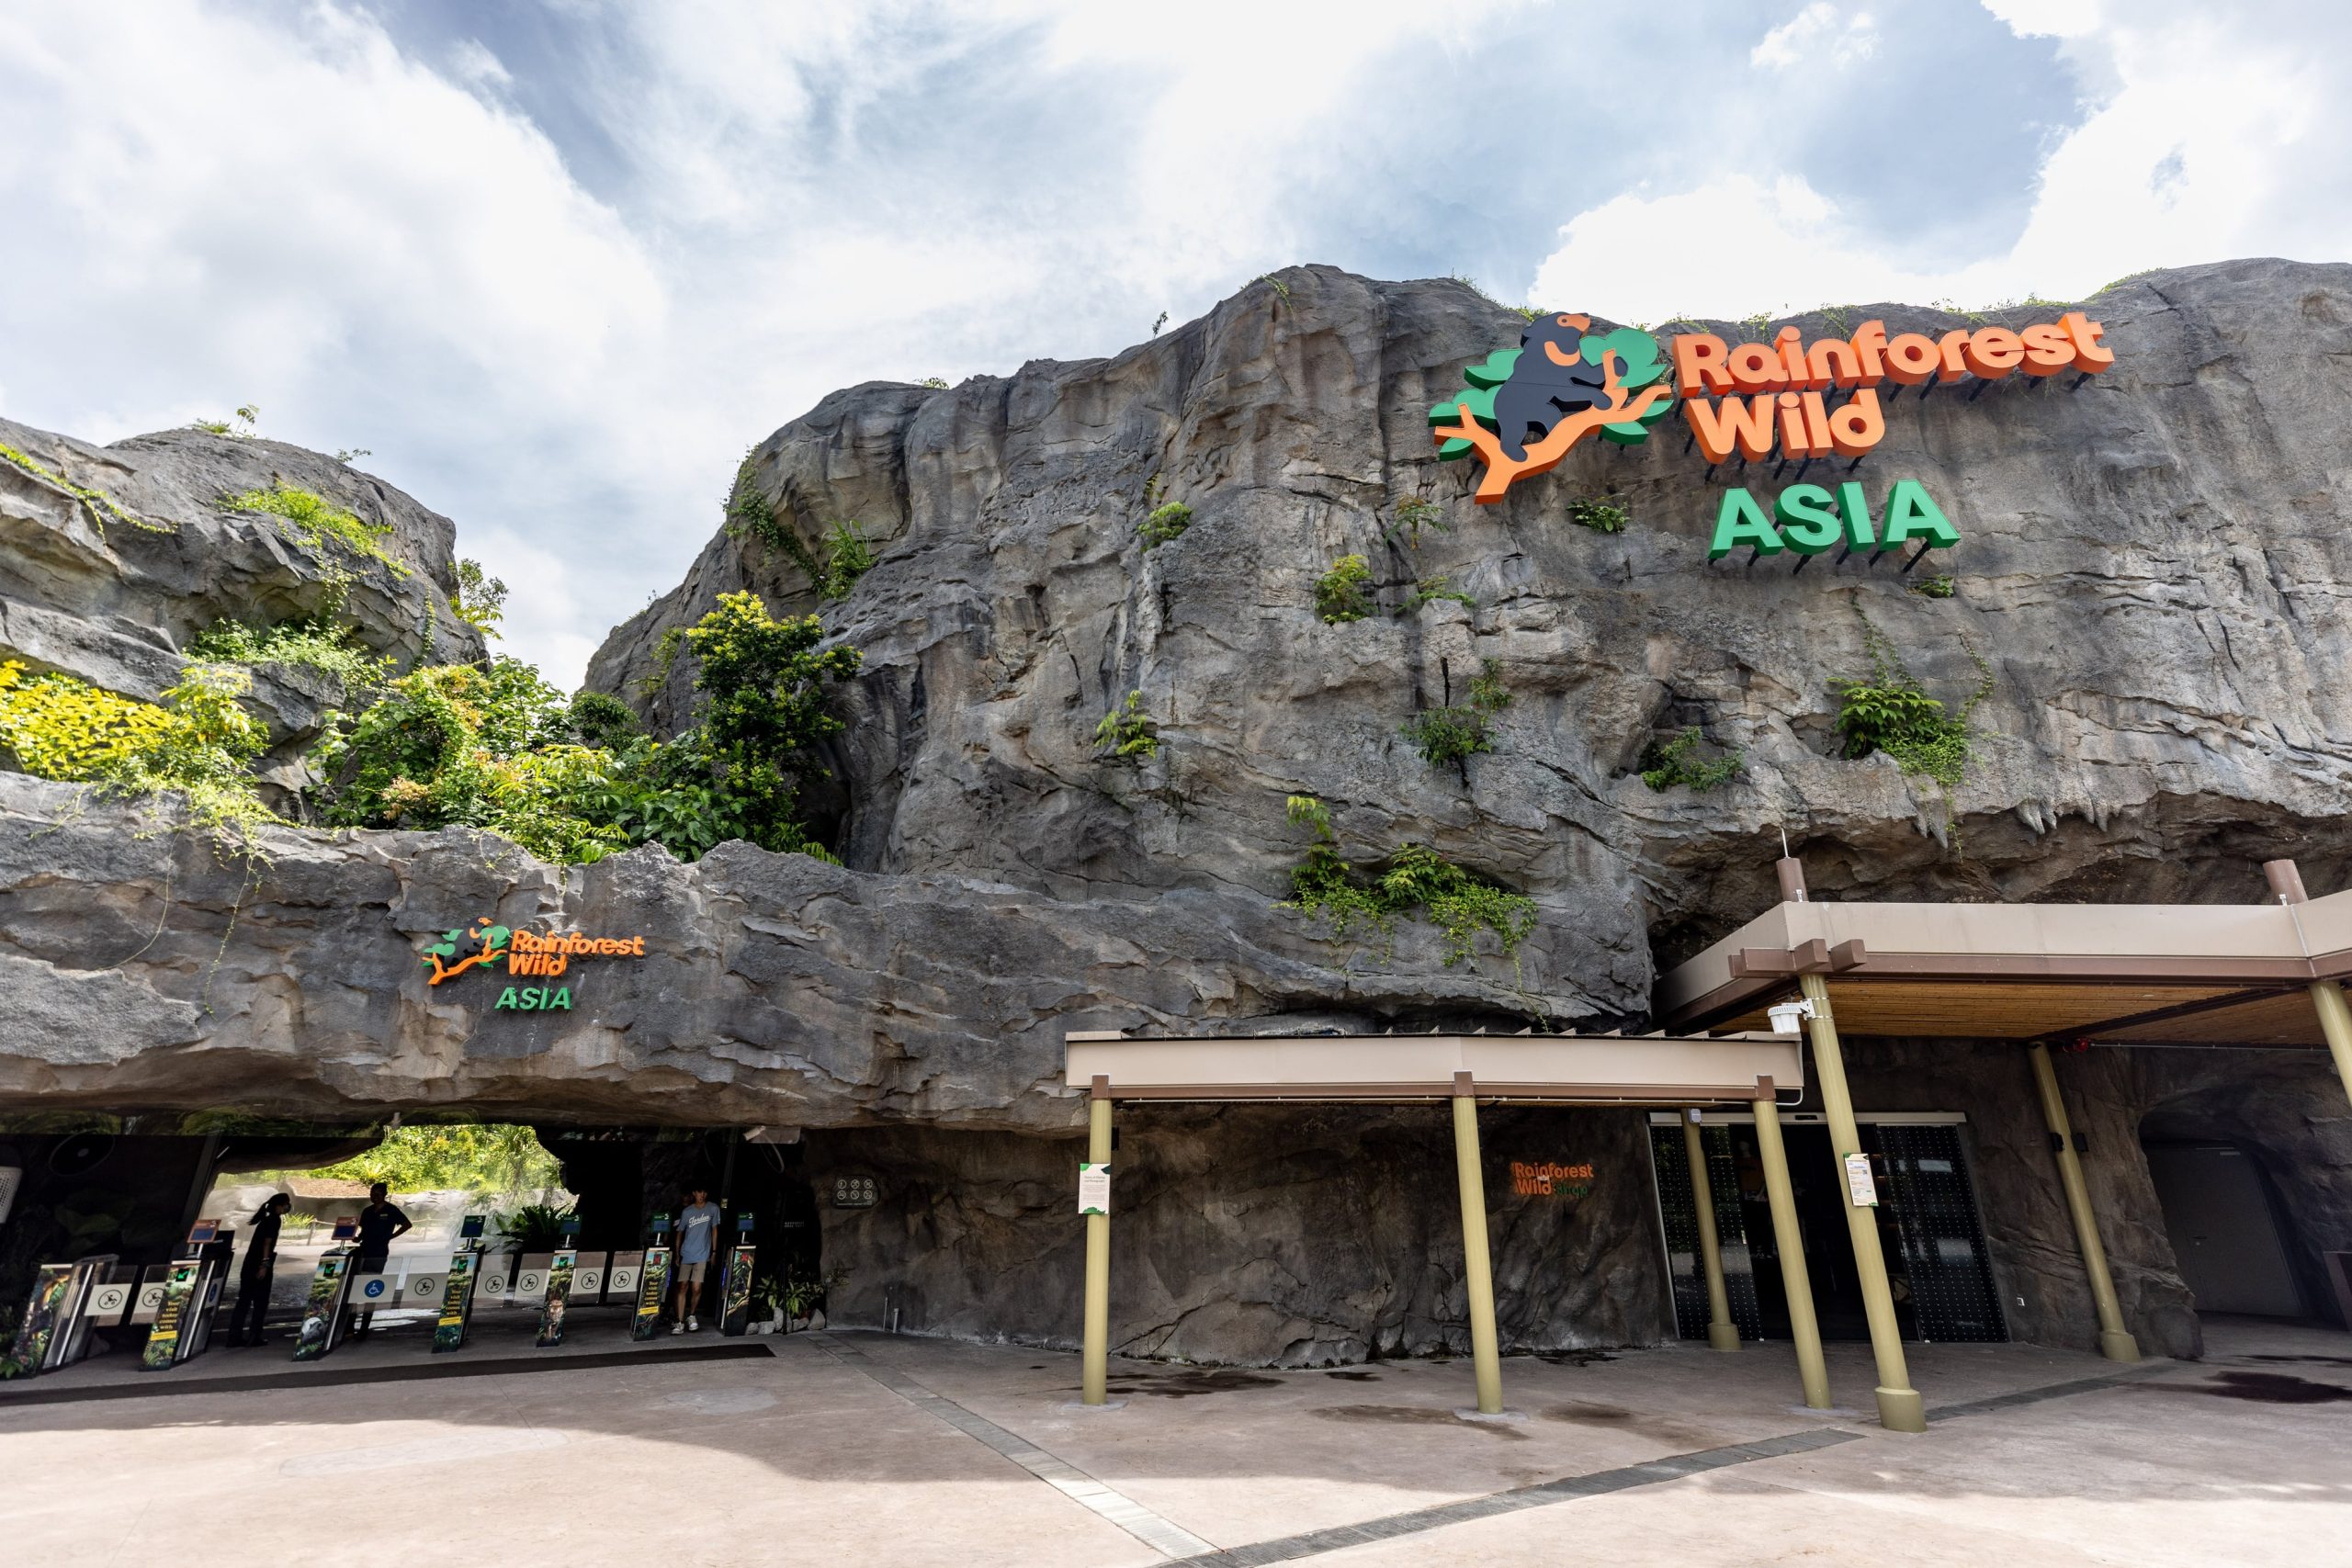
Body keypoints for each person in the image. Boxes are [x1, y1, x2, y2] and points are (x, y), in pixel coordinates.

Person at [348, 1182, 412, 1337]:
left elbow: (407, 1224)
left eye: (377, 1194)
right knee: (355, 1287)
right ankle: (350, 1326)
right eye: (372, 1193)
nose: (373, 1196)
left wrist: (391, 1236)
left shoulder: (391, 1210)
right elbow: (363, 1229)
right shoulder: (367, 1211)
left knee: (371, 1288)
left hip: (379, 1252)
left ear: (384, 1194)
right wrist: (358, 1239)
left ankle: (364, 1327)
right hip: (363, 1251)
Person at [227, 1194, 288, 1346]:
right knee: (261, 1302)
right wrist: (265, 1265)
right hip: (260, 1264)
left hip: (249, 1263)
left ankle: (234, 1337)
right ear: (279, 1205)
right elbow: (267, 1243)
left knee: (244, 1300)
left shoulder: (265, 1219)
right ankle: (255, 1336)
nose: (288, 1207)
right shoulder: (274, 1220)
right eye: (287, 1204)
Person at [671, 1186, 721, 1333]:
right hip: (687, 1253)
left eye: (705, 1192)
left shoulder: (713, 1208)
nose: (702, 1195)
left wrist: (714, 1252)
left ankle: (691, 1315)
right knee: (682, 1286)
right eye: (699, 1192)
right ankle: (679, 1321)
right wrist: (677, 1253)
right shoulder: (687, 1211)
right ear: (694, 1193)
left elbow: (714, 1230)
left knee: (697, 1287)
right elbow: (680, 1232)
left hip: (703, 1253)